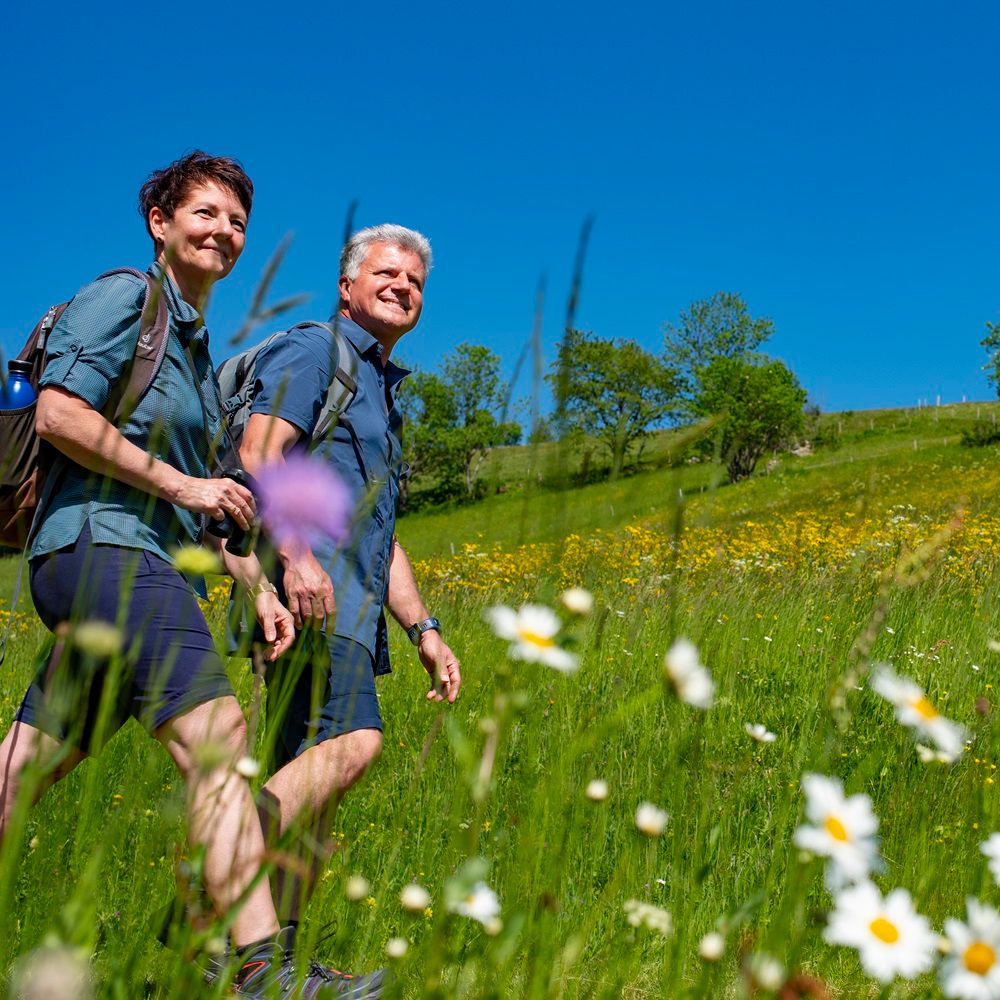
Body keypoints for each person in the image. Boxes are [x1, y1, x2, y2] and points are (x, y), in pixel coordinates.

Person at [0, 152, 383, 999]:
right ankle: (259, 971)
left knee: (22, 772)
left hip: (128, 559)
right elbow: (62, 413)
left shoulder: (202, 363)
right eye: (206, 213)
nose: (225, 232)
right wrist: (178, 482)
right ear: (161, 223)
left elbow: (217, 513)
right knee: (218, 742)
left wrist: (256, 589)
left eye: (239, 222)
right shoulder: (124, 300)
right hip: (103, 549)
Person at [238, 223, 461, 924]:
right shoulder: (316, 352)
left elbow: (381, 535)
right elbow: (258, 451)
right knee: (350, 744)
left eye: (415, 282)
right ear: (346, 286)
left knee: (313, 792)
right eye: (386, 274)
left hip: (355, 604)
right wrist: (297, 559)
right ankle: (207, 890)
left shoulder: (380, 394)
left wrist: (424, 627)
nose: (403, 287)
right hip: (308, 595)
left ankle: (267, 964)